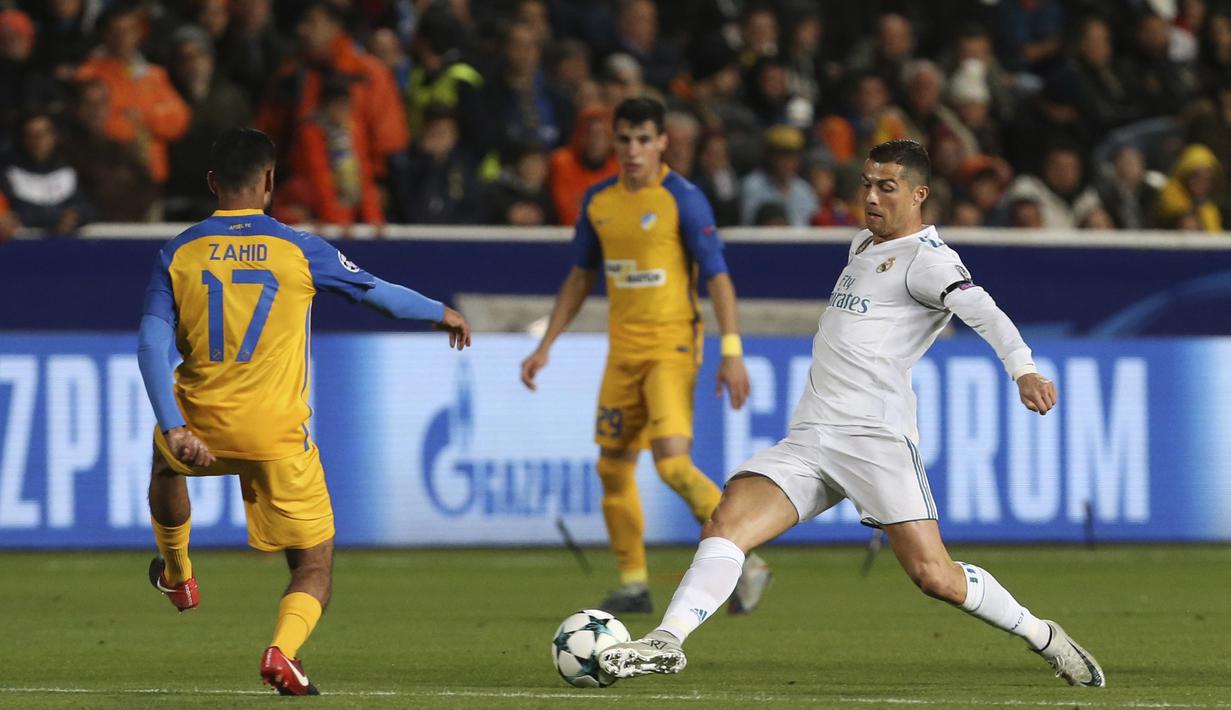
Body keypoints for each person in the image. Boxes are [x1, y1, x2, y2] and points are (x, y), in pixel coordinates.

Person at [599, 139, 1106, 689]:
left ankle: (1043, 635)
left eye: (886, 187)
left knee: (934, 576)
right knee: (725, 523)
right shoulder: (864, 243)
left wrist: (1023, 369)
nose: (870, 196)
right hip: (812, 436)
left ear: (918, 195)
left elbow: (984, 311)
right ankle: (666, 641)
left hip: (875, 440)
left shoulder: (929, 262)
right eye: (866, 183)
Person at [136, 128, 470, 696]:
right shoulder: (300, 247)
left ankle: (177, 574)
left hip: (200, 422)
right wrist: (441, 313)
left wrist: (174, 424)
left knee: (166, 466)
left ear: (213, 183)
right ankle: (281, 652)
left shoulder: (179, 250)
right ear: (269, 182)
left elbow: (149, 343)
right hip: (277, 434)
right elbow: (378, 294)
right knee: (313, 565)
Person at [520, 97, 768, 615]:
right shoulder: (599, 202)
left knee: (673, 465)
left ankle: (747, 556)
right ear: (615, 143)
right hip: (622, 352)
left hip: (672, 347)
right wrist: (546, 346)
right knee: (611, 469)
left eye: (642, 139)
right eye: (624, 139)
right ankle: (634, 584)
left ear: (662, 143)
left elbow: (717, 276)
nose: (632, 150)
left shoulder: (683, 199)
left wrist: (732, 349)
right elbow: (580, 277)